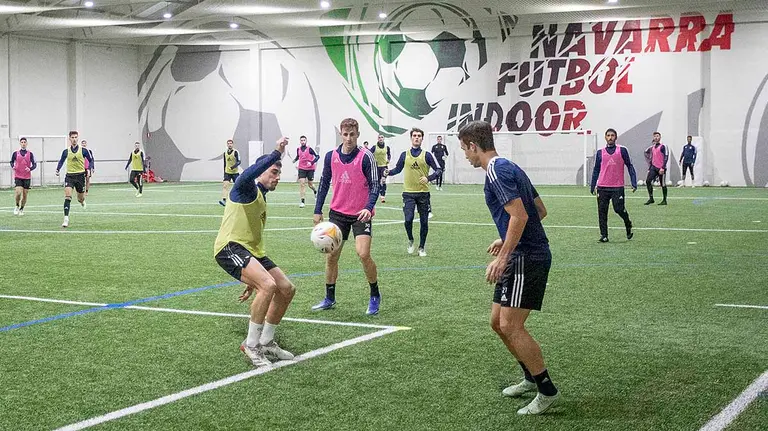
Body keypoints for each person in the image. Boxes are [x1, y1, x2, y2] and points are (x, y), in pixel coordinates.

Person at [457, 120, 560, 415]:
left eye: (465, 150)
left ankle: (546, 390)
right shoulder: (509, 166)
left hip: (527, 258)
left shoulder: (495, 172)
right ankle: (529, 377)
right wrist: (505, 238)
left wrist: (504, 255)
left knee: (511, 325)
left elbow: (520, 216)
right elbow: (539, 210)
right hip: (521, 252)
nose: (465, 155)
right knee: (497, 323)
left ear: (474, 146)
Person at [214, 137, 296, 367]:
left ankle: (267, 341)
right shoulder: (245, 187)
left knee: (286, 289)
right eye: (273, 172)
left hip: (250, 251)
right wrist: (275, 153)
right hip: (229, 247)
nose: (277, 177)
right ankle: (251, 345)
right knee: (268, 285)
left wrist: (253, 278)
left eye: (279, 173)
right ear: (261, 172)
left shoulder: (261, 196)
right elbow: (248, 173)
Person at [312, 118, 381, 315]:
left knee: (363, 253)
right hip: (338, 213)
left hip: (361, 213)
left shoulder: (367, 157)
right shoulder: (330, 156)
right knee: (332, 256)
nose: (349, 138)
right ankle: (329, 297)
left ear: (358, 135)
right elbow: (324, 183)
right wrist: (318, 210)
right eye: (345, 134)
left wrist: (369, 207)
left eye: (352, 134)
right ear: (341, 134)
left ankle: (375, 294)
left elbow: (375, 185)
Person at [385, 127, 442, 256]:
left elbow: (438, 170)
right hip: (408, 193)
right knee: (408, 219)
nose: (416, 138)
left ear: (422, 138)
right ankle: (410, 239)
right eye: (414, 135)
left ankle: (421, 247)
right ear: (411, 138)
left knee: (424, 222)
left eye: (419, 136)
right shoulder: (405, 154)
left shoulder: (427, 155)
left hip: (423, 194)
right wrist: (388, 172)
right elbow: (398, 169)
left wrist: (428, 178)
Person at [590, 128, 637, 243]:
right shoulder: (600, 152)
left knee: (619, 209)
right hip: (602, 187)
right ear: (605, 137)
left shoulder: (622, 150)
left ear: (616, 137)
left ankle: (628, 223)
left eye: (612, 135)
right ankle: (604, 235)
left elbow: (630, 166)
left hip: (617, 187)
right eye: (608, 135)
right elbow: (596, 169)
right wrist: (593, 185)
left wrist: (633, 182)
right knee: (602, 211)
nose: (610, 137)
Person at [55, 131, 94, 228]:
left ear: (78, 138)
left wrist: (89, 169)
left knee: (80, 198)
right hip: (70, 176)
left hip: (80, 176)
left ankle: (82, 201)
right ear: (69, 139)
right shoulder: (66, 151)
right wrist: (57, 169)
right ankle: (66, 219)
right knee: (68, 196)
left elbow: (91, 160)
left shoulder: (84, 150)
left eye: (76, 137)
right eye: (72, 137)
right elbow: (61, 161)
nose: (74, 139)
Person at [10, 137, 37, 216]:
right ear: (20, 143)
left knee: (25, 195)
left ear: (27, 143)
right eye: (22, 142)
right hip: (18, 176)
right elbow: (11, 161)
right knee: (18, 192)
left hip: (27, 177)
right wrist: (13, 166)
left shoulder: (30, 154)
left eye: (25, 142)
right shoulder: (16, 153)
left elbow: (35, 164)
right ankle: (17, 206)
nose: (23, 143)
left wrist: (30, 168)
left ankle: (22, 209)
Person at [293, 135, 319, 208]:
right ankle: (302, 201)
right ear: (300, 141)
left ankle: (315, 191)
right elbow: (298, 156)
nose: (303, 141)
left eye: (304, 140)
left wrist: (311, 162)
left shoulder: (310, 149)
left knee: (310, 185)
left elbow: (317, 157)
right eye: (301, 140)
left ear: (306, 141)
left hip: (310, 169)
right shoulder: (298, 149)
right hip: (301, 169)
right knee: (302, 184)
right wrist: (294, 160)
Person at [643, 132, 668, 205]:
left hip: (661, 168)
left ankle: (664, 200)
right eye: (655, 136)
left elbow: (666, 157)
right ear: (653, 138)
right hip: (653, 167)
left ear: (660, 137)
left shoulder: (663, 146)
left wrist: (663, 167)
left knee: (662, 184)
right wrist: (650, 166)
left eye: (657, 136)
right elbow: (646, 152)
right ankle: (651, 198)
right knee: (648, 181)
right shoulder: (652, 147)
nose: (656, 137)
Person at [219, 139, 241, 206]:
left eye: (231, 143)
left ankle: (240, 198)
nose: (229, 145)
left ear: (233, 144)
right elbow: (225, 163)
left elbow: (239, 162)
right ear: (227, 144)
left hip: (235, 172)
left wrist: (232, 167)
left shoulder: (236, 152)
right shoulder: (225, 153)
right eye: (228, 143)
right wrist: (224, 172)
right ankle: (224, 200)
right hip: (227, 172)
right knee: (225, 185)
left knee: (238, 186)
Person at [370, 134, 391, 203]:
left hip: (384, 167)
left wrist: (388, 159)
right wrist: (373, 160)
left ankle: (383, 197)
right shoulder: (374, 147)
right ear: (377, 139)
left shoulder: (387, 147)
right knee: (377, 182)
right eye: (379, 137)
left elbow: (389, 154)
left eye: (382, 137)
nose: (380, 138)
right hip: (376, 167)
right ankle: (375, 195)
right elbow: (369, 154)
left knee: (383, 180)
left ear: (384, 138)